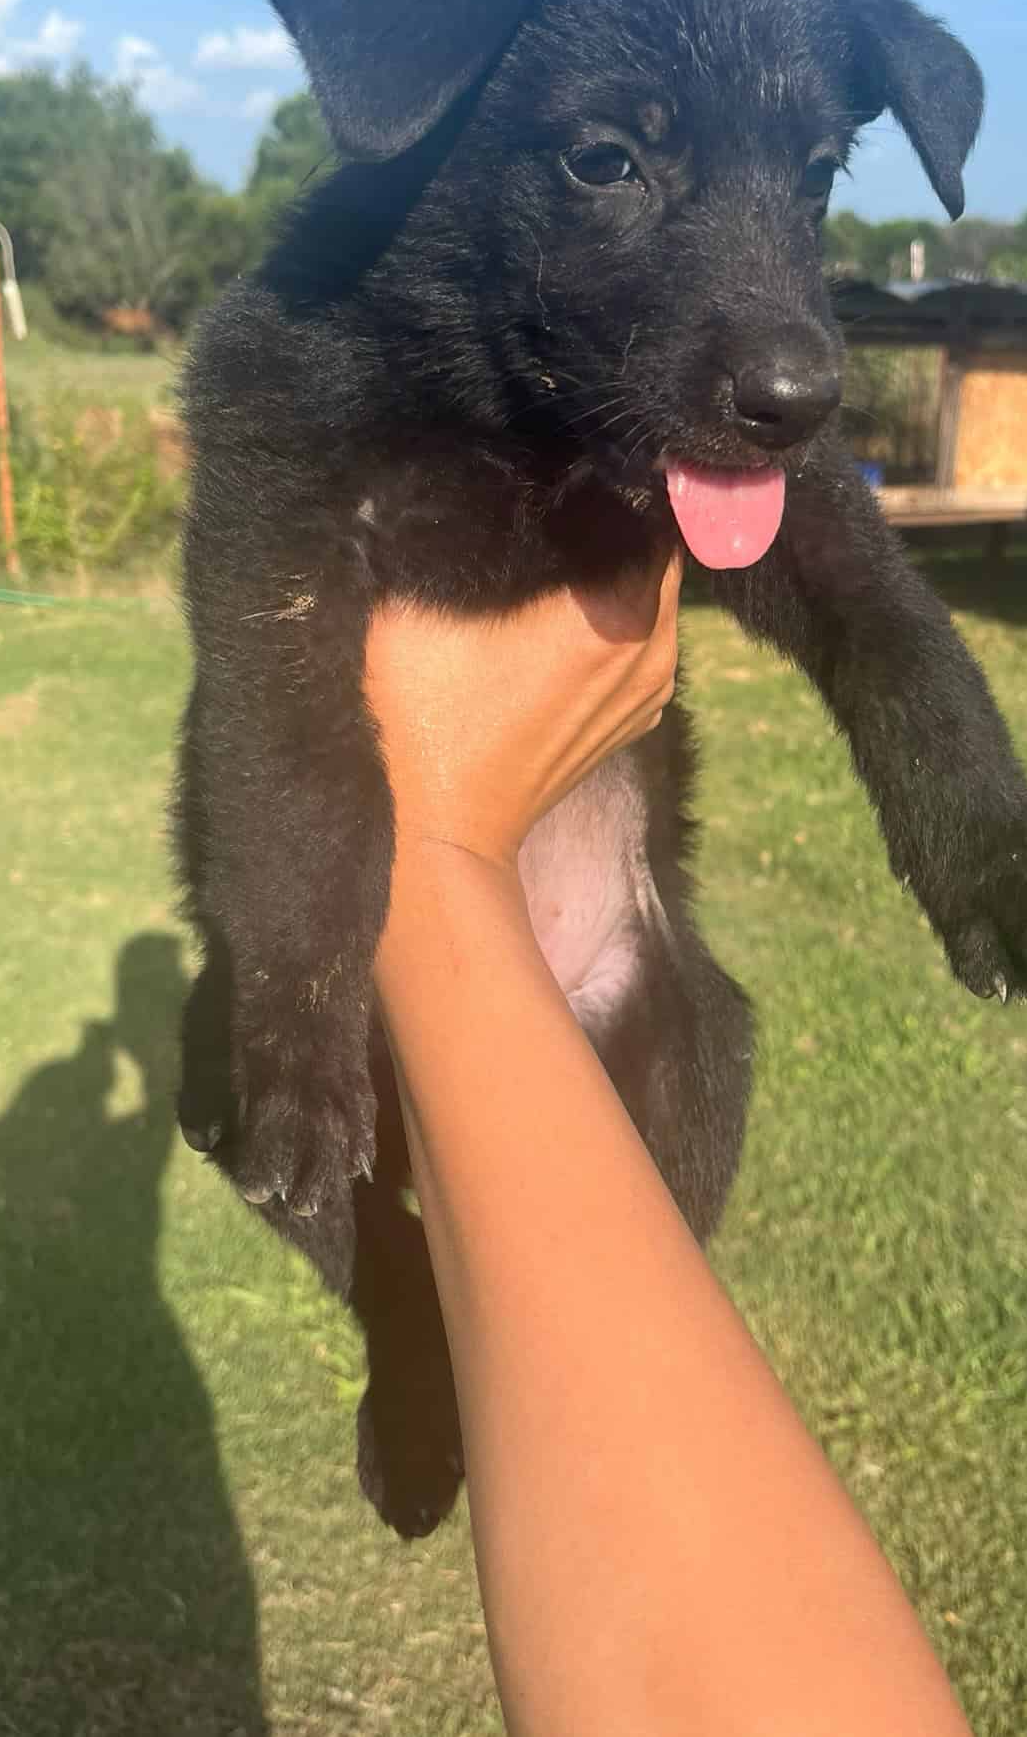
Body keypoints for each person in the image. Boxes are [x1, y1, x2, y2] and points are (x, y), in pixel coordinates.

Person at [364, 549, 977, 1737]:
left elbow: (838, 581)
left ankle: (432, 1337)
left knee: (688, 1084)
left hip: (583, 893)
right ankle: (412, 1332)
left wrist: (421, 849)